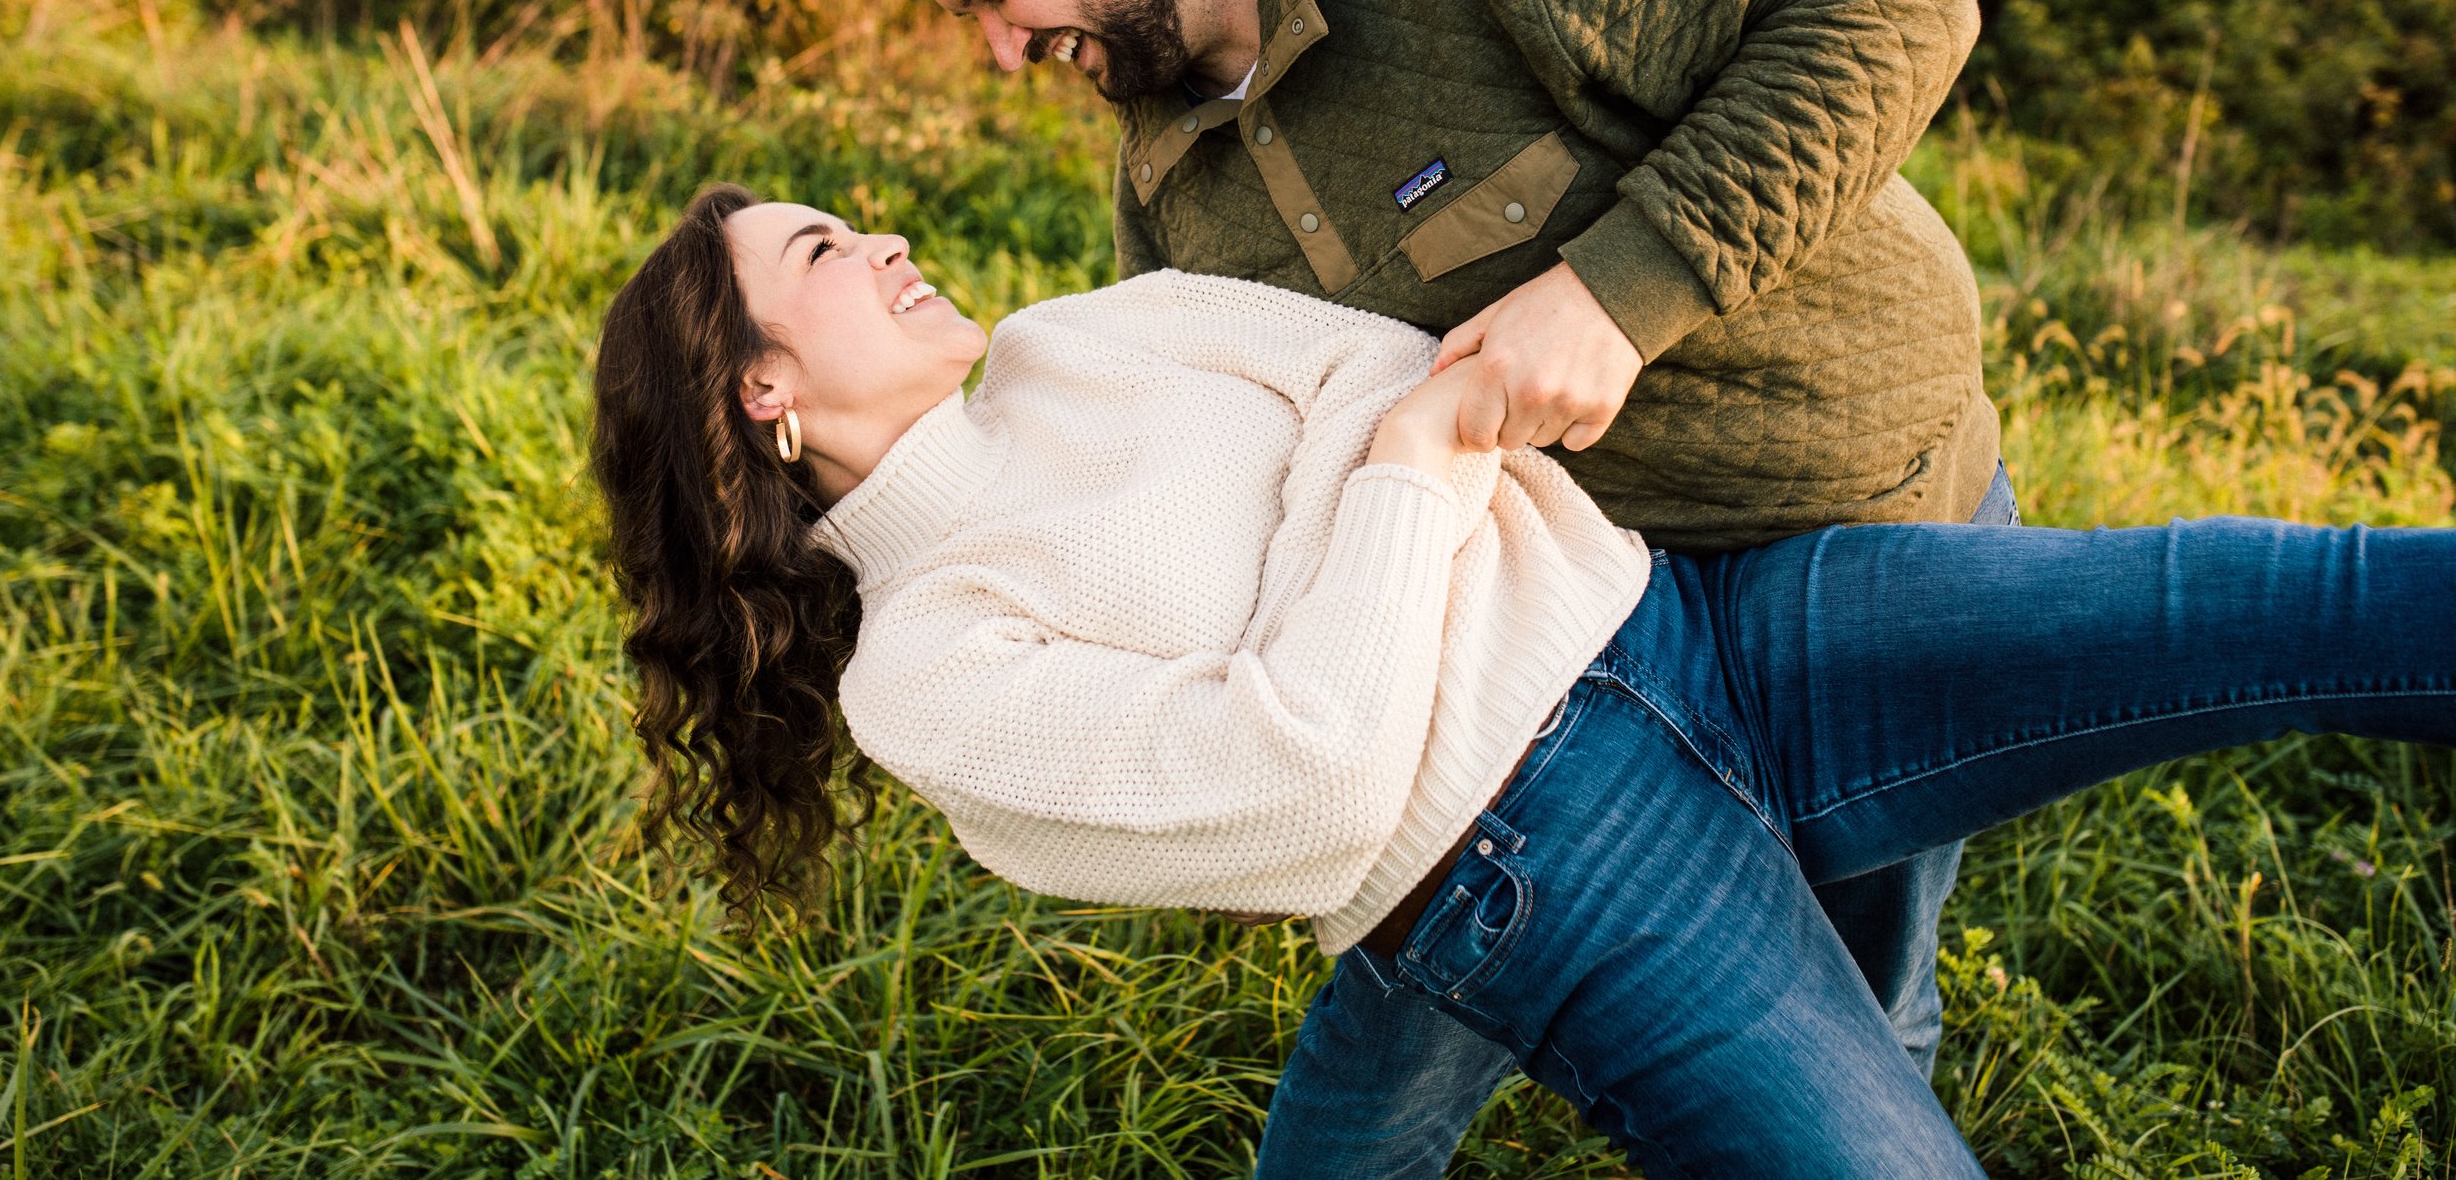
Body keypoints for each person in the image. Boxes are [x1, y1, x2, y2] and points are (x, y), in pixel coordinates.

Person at [591, 185, 2456, 1180]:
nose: (886, 238)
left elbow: (1391, 376)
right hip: (1550, 877)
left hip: (1697, 627)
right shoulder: (928, 674)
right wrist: (1398, 488)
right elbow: (1310, 779)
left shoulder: (1099, 333)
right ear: (761, 389)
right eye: (822, 252)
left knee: (2279, 599)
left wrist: (1341, 571)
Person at [853, 0, 1999, 1162]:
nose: (1007, 52)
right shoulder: (1167, 197)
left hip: (1867, 525)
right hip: (1547, 681)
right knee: (1369, 1097)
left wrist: (1620, 293)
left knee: (1859, 1002)